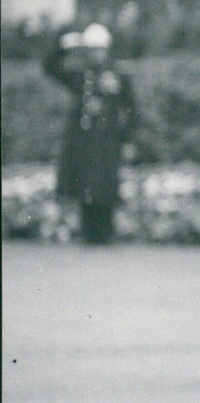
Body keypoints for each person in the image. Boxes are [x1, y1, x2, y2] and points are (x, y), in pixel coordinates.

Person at [43, 22, 137, 244]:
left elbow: (132, 110)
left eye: (100, 49)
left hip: (108, 139)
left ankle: (106, 233)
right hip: (84, 140)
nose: (96, 54)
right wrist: (63, 45)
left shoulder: (119, 75)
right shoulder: (80, 75)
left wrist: (129, 140)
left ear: (107, 49)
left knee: (106, 187)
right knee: (85, 186)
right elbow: (50, 67)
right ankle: (89, 233)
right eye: (92, 50)